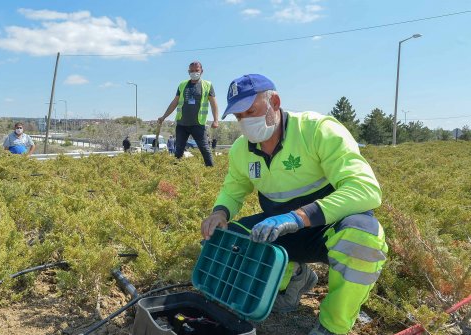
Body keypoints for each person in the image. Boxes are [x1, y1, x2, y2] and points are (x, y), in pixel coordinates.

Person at [200, 74, 387, 335]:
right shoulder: (242, 150)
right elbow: (233, 189)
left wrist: (299, 217)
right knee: (230, 238)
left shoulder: (317, 130)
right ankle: (293, 280)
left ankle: (332, 326)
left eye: (250, 111)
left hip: (328, 228)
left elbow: (365, 190)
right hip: (280, 229)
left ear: (274, 102)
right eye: (238, 117)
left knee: (363, 239)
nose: (245, 122)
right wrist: (220, 212)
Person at [158, 61, 219, 166]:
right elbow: (174, 102)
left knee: (205, 149)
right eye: (192, 71)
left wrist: (216, 120)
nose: (194, 72)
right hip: (182, 124)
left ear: (201, 71)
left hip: (198, 125)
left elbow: (214, 104)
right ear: (188, 72)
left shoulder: (207, 85)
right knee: (178, 152)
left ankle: (211, 171)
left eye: (197, 70)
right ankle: (175, 174)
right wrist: (163, 117)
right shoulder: (182, 85)